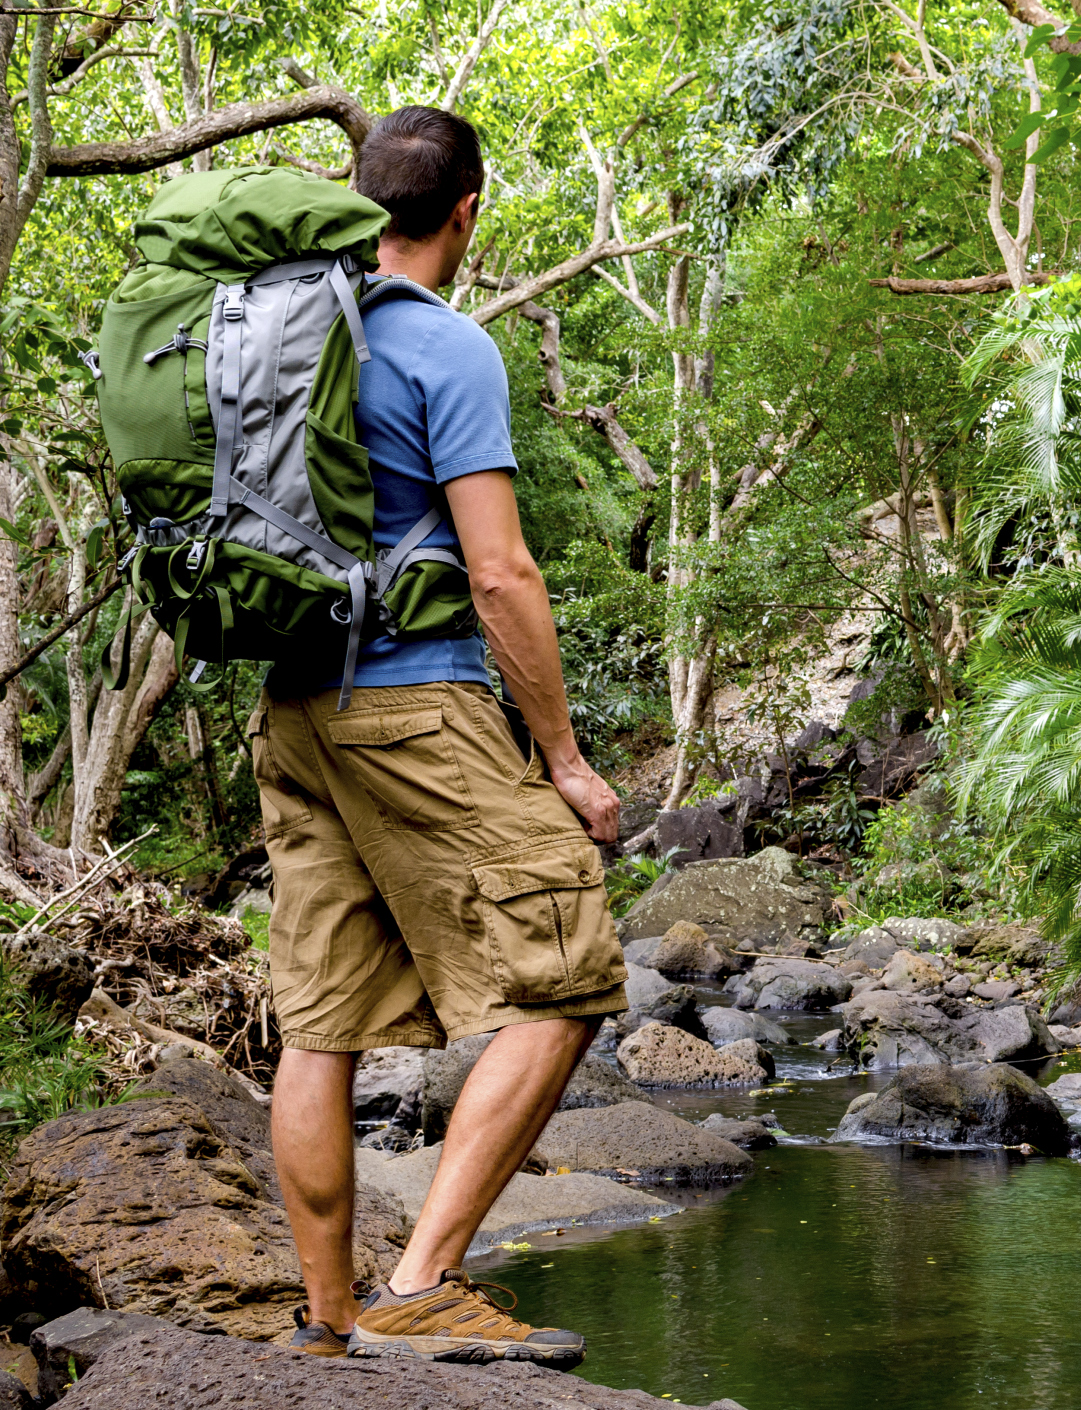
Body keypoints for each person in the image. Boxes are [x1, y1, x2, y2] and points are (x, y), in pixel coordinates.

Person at [257, 104, 626, 1366]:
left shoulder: (285, 336)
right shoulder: (443, 347)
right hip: (414, 703)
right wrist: (564, 762)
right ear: (464, 211)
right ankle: (422, 1275)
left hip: (296, 710)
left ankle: (327, 1324)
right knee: (569, 967)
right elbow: (502, 576)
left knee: (320, 1022)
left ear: (358, 203)